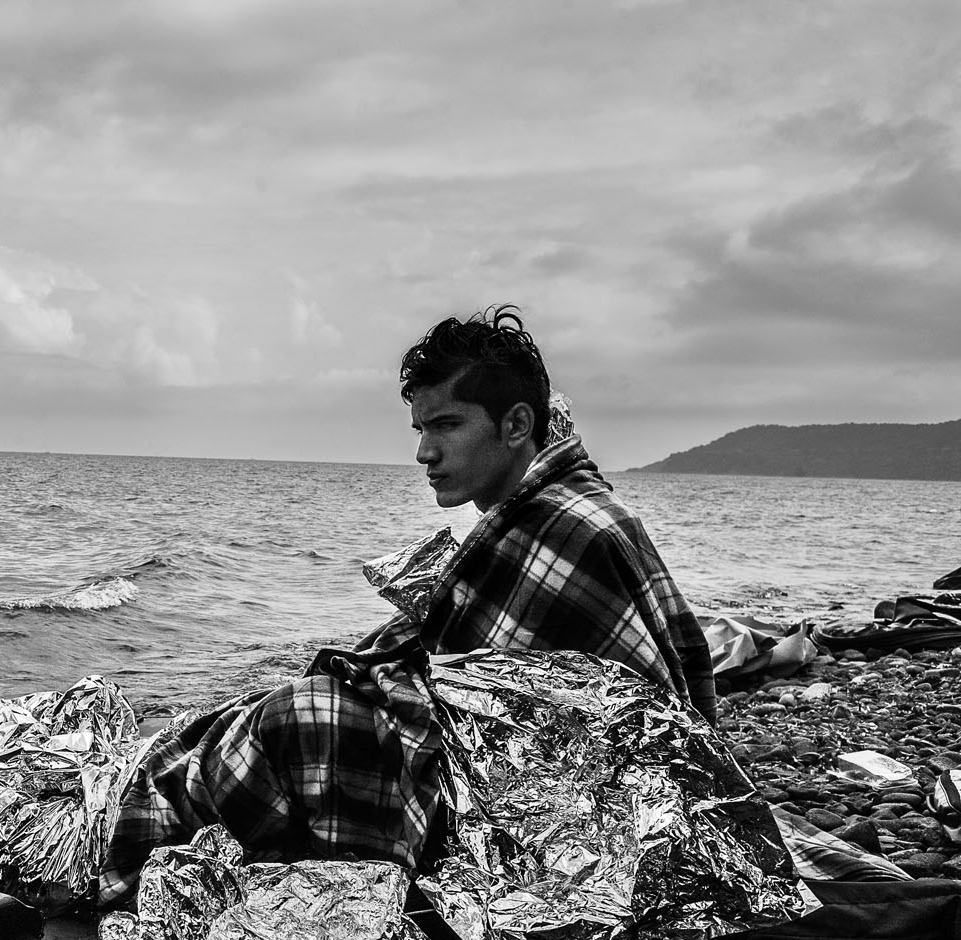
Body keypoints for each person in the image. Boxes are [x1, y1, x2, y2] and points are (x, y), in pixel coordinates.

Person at [98, 305, 716, 904]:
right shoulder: (538, 514)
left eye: (446, 425)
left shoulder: (572, 528)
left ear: (517, 425)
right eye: (421, 429)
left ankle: (303, 889)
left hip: (560, 823)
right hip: (508, 782)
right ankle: (186, 840)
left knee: (301, 718)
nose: (424, 452)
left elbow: (555, 728)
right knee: (245, 714)